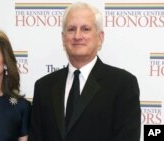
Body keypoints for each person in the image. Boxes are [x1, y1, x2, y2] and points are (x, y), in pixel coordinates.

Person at [29, 2, 140, 141]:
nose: (77, 36)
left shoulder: (122, 84)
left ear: (100, 38)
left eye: (85, 29)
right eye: (71, 29)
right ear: (63, 38)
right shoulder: (43, 86)